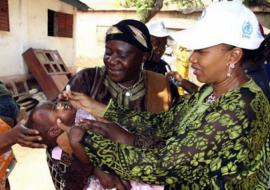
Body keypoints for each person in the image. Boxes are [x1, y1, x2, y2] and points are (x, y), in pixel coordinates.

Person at [67, 1, 270, 189]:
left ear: (233, 56)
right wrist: (102, 110)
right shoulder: (210, 90)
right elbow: (164, 123)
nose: (192, 59)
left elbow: (164, 165)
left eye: (201, 51)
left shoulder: (241, 108)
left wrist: (87, 142)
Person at [47, 19, 180, 190]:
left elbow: (172, 141)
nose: (112, 60)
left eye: (123, 55)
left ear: (144, 56)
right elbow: (57, 130)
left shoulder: (163, 89)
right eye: (108, 52)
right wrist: (97, 168)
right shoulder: (87, 80)